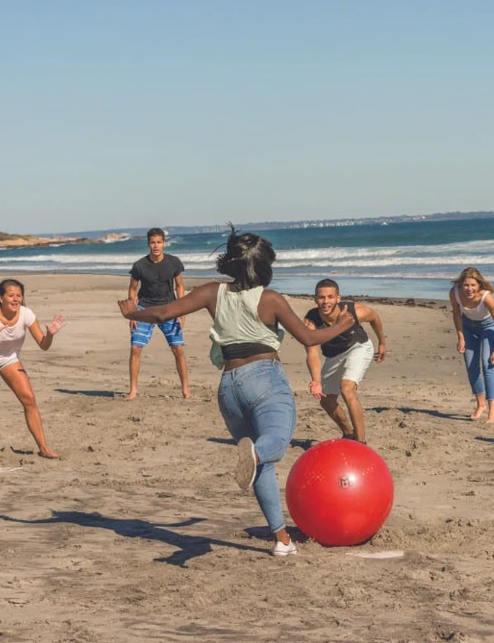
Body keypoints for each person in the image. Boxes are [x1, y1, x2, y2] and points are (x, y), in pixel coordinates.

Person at [118, 227, 354, 557]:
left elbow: (163, 312)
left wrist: (132, 313)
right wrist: (343, 324)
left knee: (260, 465)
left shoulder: (213, 293)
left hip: (228, 389)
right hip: (264, 379)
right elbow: (310, 338)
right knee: (273, 445)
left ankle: (281, 539)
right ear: (263, 266)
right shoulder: (270, 298)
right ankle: (256, 454)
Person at [0, 279, 66, 463]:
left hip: (9, 358)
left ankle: (44, 448)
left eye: (18, 296)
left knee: (29, 399)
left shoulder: (26, 314)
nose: (15, 299)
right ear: (0, 298)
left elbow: (43, 345)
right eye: (11, 295)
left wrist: (50, 335)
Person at [303, 279, 386, 444]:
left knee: (347, 389)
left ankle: (361, 443)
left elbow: (374, 317)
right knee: (325, 398)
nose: (326, 302)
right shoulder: (311, 321)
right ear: (315, 299)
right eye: (321, 297)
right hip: (333, 356)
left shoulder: (354, 311)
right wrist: (316, 380)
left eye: (330, 297)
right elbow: (312, 353)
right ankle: (348, 434)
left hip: (358, 347)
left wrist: (382, 342)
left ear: (338, 299)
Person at [126, 228, 190, 400]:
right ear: (148, 244)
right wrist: (132, 314)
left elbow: (180, 286)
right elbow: (132, 290)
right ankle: (133, 390)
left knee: (178, 349)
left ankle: (185, 389)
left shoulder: (173, 262)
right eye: (153, 242)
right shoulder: (139, 266)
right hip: (145, 309)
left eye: (159, 242)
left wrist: (181, 309)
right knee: (135, 348)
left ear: (164, 243)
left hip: (168, 307)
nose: (156, 246)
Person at [449, 267, 494, 423]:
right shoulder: (455, 293)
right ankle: (480, 405)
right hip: (468, 328)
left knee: (488, 366)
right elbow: (456, 313)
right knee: (471, 367)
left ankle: (492, 412)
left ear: (479, 285)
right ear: (461, 284)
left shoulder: (486, 297)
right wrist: (460, 337)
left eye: (473, 285)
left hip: (488, 327)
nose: (469, 289)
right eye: (466, 285)